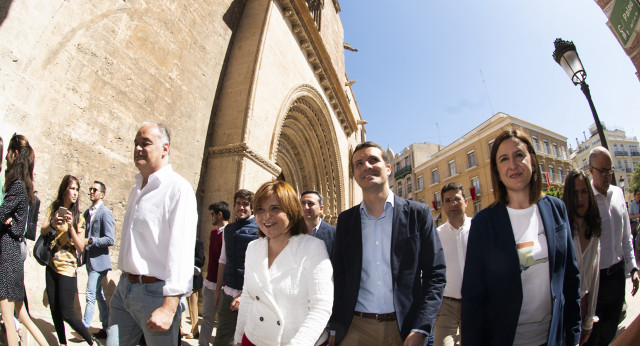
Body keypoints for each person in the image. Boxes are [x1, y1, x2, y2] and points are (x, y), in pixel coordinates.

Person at [461, 129, 581, 345]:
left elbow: (571, 278)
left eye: (519, 155)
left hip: (553, 337)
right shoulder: (483, 225)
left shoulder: (557, 209)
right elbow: (473, 300)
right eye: (504, 159)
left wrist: (573, 333)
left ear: (532, 161)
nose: (513, 165)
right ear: (497, 171)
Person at [330, 141, 446, 346]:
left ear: (388, 168)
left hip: (403, 331)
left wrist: (420, 328)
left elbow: (435, 274)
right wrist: (334, 328)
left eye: (373, 160)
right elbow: (338, 276)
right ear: (354, 175)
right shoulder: (346, 220)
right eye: (359, 163)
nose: (366, 166)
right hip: (354, 329)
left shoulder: (418, 214)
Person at [106, 122, 198, 346]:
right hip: (124, 289)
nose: (138, 148)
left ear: (165, 148)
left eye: (145, 143)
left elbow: (182, 249)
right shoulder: (136, 189)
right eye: (136, 143)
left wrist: (169, 306)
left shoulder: (178, 189)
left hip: (156, 295)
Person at [233, 181, 333, 345]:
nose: (266, 216)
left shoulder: (313, 248)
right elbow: (247, 298)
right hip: (253, 339)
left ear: (291, 212)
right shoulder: (253, 247)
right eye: (260, 209)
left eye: (275, 208)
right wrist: (238, 339)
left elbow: (321, 307)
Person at [584, 147, 639, 346]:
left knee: (610, 330)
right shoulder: (585, 200)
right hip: (594, 281)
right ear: (591, 170)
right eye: (603, 171)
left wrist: (632, 267)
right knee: (592, 336)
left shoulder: (618, 194)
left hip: (617, 276)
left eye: (610, 170)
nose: (608, 176)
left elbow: (626, 236)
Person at [41, 175, 100, 345]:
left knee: (67, 313)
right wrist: (52, 223)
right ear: (64, 189)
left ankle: (91, 341)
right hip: (51, 265)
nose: (75, 193)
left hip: (67, 269)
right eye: (72, 189)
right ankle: (62, 343)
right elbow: (43, 231)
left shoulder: (78, 218)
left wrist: (72, 228)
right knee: (54, 309)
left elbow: (80, 247)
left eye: (77, 190)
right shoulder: (54, 208)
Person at [0, 134, 47, 346]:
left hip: (7, 256)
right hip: (13, 256)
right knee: (23, 317)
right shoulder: (24, 186)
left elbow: (2, 215)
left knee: (9, 320)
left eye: (8, 154)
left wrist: (6, 220)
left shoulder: (16, 186)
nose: (6, 158)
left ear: (14, 154)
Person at [213, 189, 258, 346]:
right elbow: (223, 261)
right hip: (227, 294)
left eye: (245, 204)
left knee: (245, 341)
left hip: (249, 297)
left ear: (252, 207)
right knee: (221, 340)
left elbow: (261, 267)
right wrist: (218, 291)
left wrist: (244, 294)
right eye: (238, 203)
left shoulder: (260, 230)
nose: (241, 207)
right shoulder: (228, 229)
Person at [562, 169, 602, 345]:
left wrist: (588, 319)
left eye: (584, 191)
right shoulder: (562, 231)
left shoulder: (594, 232)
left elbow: (594, 279)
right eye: (575, 193)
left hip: (583, 309)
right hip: (563, 312)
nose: (580, 198)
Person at [434, 182, 470, 346]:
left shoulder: (479, 229)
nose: (453, 204)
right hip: (446, 305)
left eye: (457, 199)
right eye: (447, 200)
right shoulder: (436, 236)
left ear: (466, 201)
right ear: (442, 206)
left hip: (475, 303)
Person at [82, 180, 115, 340]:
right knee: (98, 294)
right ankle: (106, 326)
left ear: (102, 194)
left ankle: (83, 329)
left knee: (90, 294)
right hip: (89, 259)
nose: (91, 191)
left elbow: (110, 239)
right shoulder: (87, 213)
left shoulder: (105, 213)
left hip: (100, 262)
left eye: (95, 189)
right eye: (90, 189)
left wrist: (91, 241)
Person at [200, 201, 230, 346]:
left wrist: (219, 288)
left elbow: (223, 261)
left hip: (223, 286)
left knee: (223, 321)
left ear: (219, 214)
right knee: (207, 318)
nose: (210, 217)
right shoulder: (213, 233)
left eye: (212, 214)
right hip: (209, 282)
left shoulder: (229, 232)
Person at [301, 190, 336, 256]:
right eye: (303, 203)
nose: (306, 207)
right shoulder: (291, 233)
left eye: (310, 203)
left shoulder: (335, 234)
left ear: (321, 208)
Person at [182, 238, 205, 339]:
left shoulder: (198, 242)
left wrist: (188, 255)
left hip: (193, 279)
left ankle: (195, 331)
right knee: (179, 305)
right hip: (180, 278)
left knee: (193, 306)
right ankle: (179, 327)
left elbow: (201, 261)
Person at [629, 189, 640, 258]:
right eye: (638, 194)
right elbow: (630, 216)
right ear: (635, 195)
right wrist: (637, 215)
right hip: (635, 222)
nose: (639, 196)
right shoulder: (632, 204)